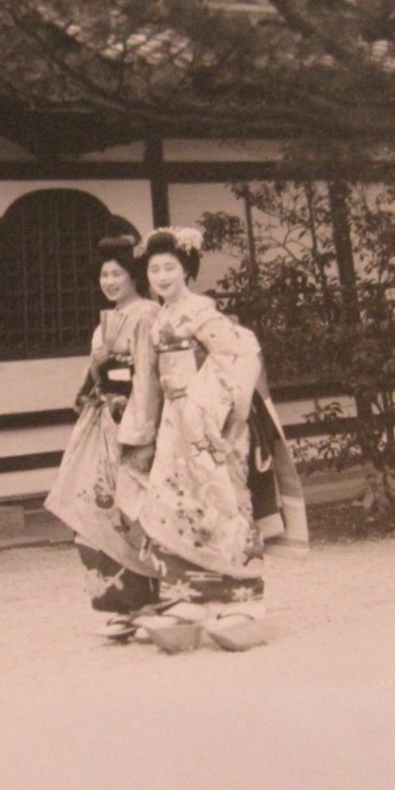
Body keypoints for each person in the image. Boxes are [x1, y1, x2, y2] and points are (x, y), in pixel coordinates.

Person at [114, 226, 308, 649]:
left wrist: (207, 405)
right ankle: (186, 600)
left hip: (210, 423)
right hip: (172, 425)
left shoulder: (203, 313)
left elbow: (240, 354)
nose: (162, 276)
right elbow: (146, 379)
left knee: (223, 503)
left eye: (170, 268)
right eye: (154, 269)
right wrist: (140, 429)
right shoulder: (156, 318)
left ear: (187, 271)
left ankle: (243, 599)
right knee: (173, 503)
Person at [44, 234, 162, 615]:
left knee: (132, 506)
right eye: (104, 276)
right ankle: (116, 599)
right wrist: (98, 362)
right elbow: (88, 388)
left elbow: (149, 376)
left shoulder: (148, 314)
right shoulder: (103, 325)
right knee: (94, 502)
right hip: (102, 424)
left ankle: (146, 594)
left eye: (116, 274)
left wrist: (139, 429)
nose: (109, 282)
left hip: (134, 420)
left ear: (133, 277)